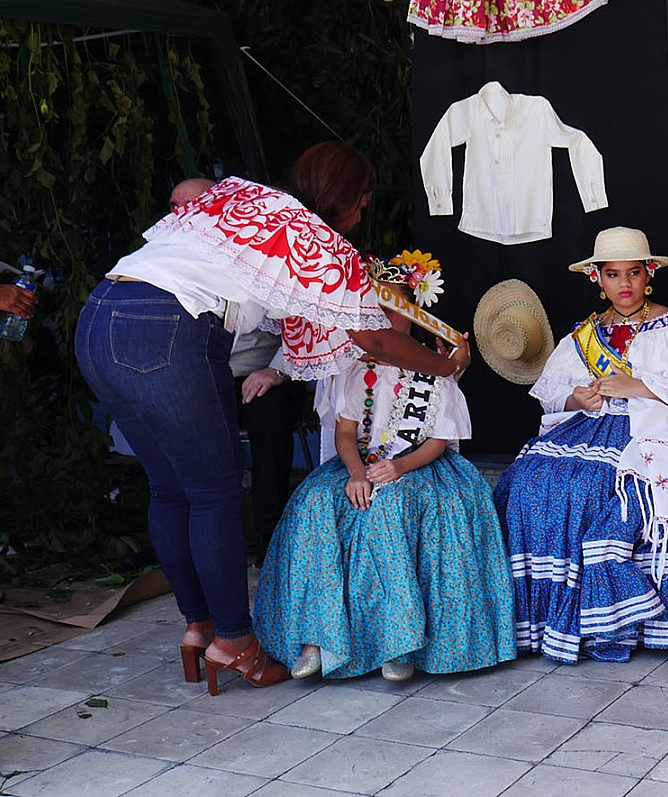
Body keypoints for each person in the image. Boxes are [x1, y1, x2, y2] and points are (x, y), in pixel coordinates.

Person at [75, 143, 470, 693]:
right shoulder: (317, 240)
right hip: (171, 329)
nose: (361, 216)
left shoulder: (246, 196)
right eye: (362, 203)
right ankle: (235, 642)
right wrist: (448, 364)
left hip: (98, 318)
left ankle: (199, 627)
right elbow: (378, 340)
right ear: (344, 197)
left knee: (170, 490)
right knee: (213, 495)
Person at [253, 275, 515, 684]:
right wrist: (356, 472)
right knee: (315, 501)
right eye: (376, 310)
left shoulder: (435, 368)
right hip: (361, 462)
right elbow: (345, 432)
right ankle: (316, 636)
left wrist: (400, 468)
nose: (385, 319)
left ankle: (400, 643)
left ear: (415, 315)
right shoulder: (357, 369)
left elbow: (439, 441)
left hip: (419, 466)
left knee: (392, 507)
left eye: (396, 310)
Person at [493, 227, 668, 663]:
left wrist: (638, 387)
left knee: (598, 488)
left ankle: (612, 615)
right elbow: (551, 392)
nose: (624, 284)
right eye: (613, 274)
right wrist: (576, 399)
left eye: (633, 272)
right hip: (590, 428)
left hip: (654, 430)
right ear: (596, 278)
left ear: (649, 273)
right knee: (527, 482)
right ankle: (542, 618)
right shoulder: (584, 334)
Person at [170, 178, 306, 546]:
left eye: (191, 207)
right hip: (200, 377)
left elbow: (306, 323)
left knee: (269, 409)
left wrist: (277, 369)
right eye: (174, 207)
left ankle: (270, 537)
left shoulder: (259, 251)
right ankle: (198, 539)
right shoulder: (167, 260)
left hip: (262, 373)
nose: (181, 216)